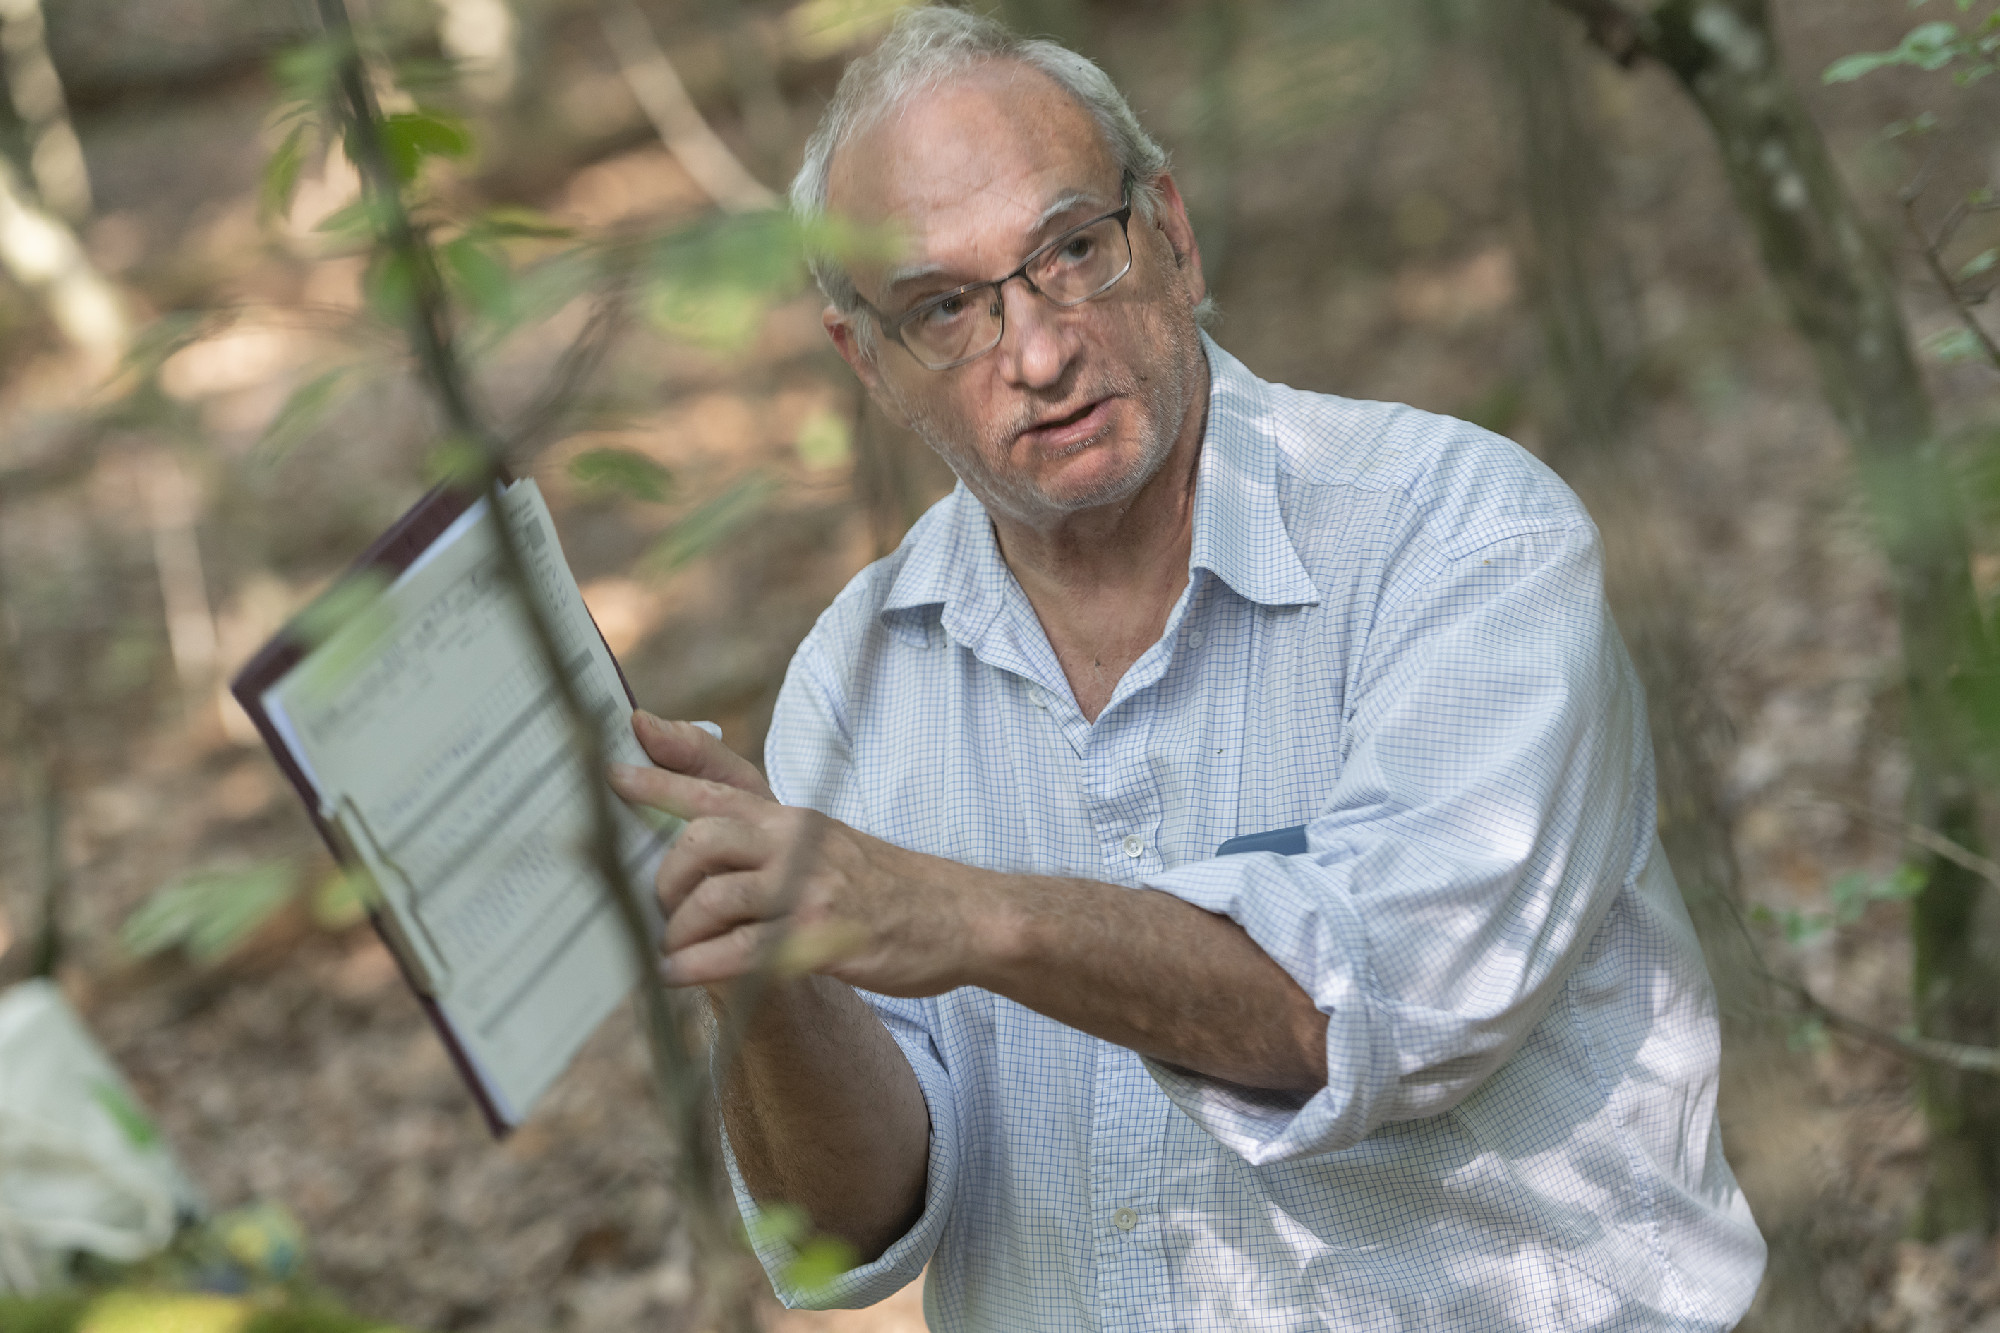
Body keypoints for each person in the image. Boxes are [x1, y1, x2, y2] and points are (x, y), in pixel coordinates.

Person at [607, 6, 1767, 1328]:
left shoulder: (1465, 539)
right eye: (946, 309)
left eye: (1072, 252)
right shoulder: (858, 675)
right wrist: (767, 972)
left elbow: (1368, 1010)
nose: (1039, 353)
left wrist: (967, 916)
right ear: (869, 364)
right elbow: (850, 1233)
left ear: (1172, 232)